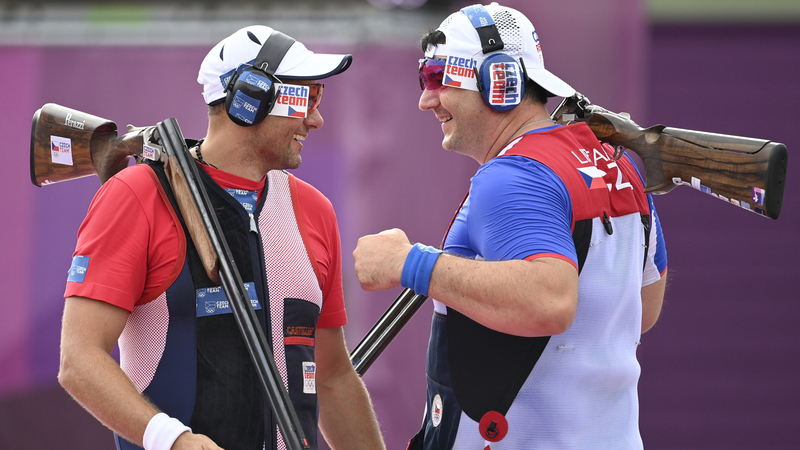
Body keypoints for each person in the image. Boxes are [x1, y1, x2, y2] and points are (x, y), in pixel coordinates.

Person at [353, 3, 668, 449]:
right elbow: (641, 310)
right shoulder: (619, 165)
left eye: (437, 78)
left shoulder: (513, 174)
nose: (426, 99)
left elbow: (550, 300)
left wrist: (411, 263)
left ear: (498, 81)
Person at [58, 25, 385, 450]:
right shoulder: (137, 193)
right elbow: (78, 360)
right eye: (306, 98)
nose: (316, 119)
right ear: (250, 98)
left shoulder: (315, 210)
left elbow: (333, 376)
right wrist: (174, 441)